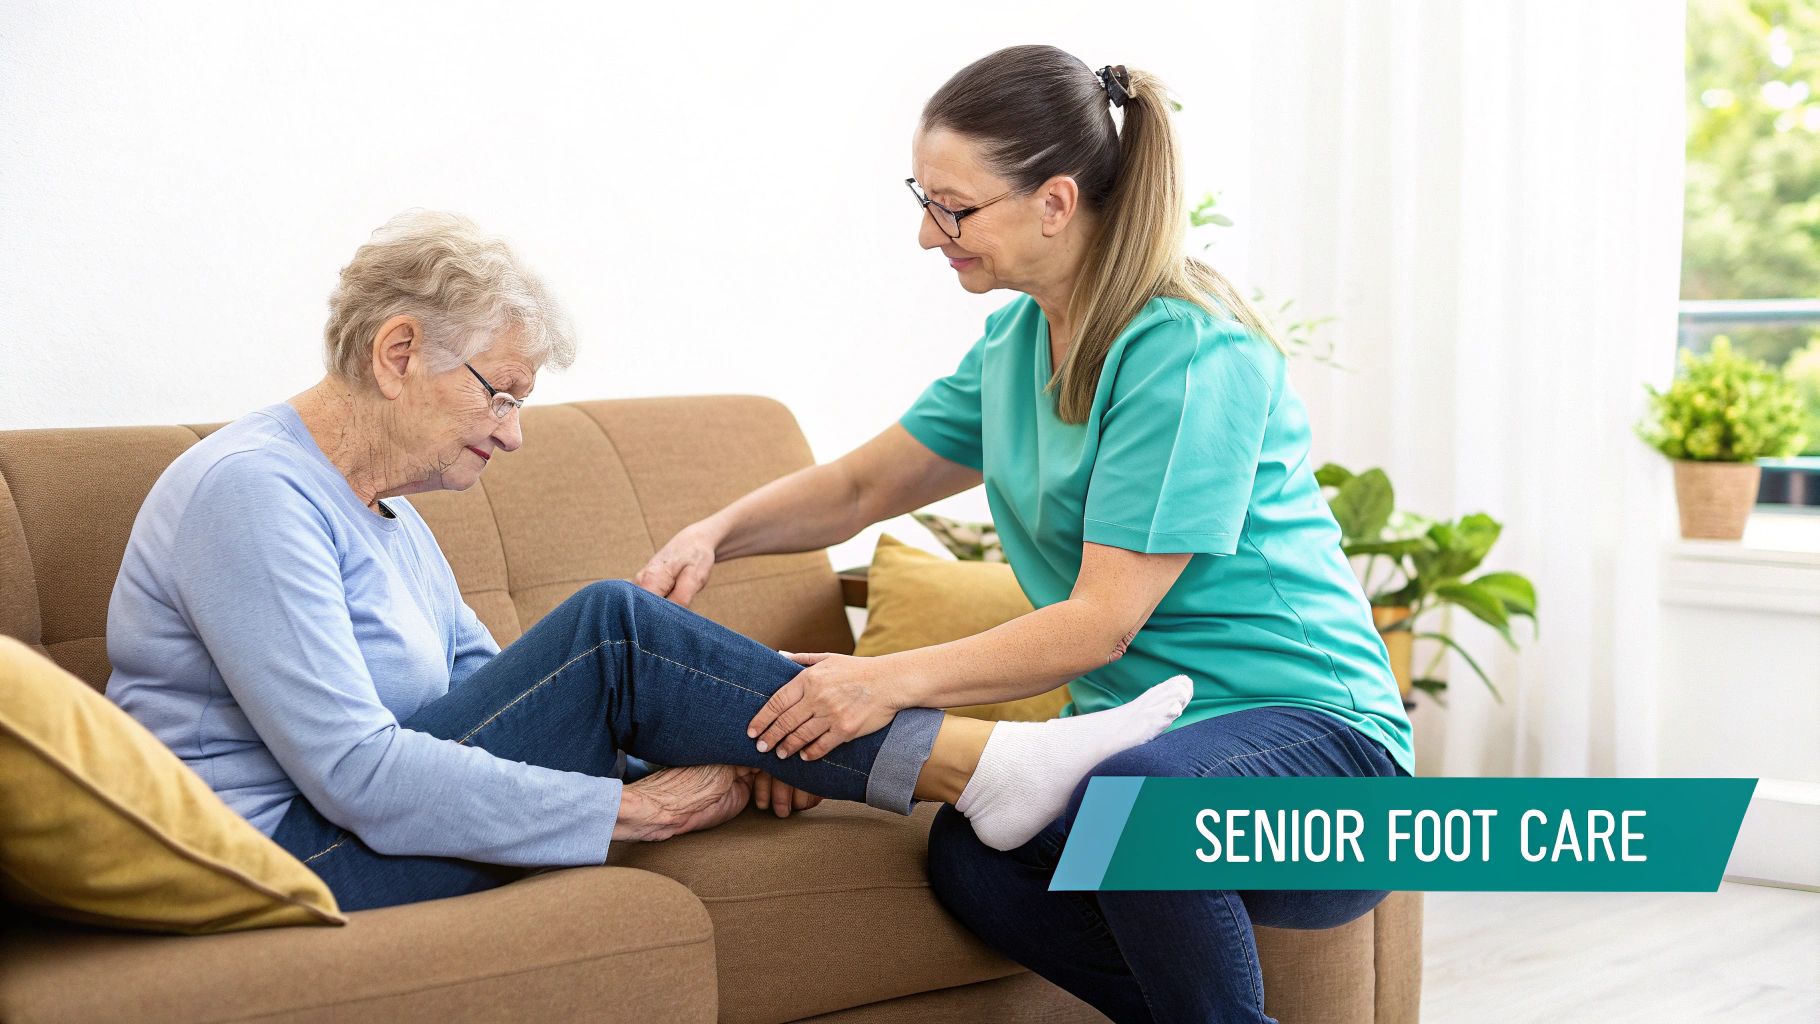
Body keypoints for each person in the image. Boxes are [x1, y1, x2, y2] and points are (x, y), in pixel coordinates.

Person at [105, 209, 1193, 913]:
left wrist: (725, 751)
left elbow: (499, 701)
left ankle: (976, 771)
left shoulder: (381, 511)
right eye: (501, 393)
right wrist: (631, 812)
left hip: (348, 825)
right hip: (284, 857)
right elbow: (358, 776)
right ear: (399, 354)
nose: (511, 433)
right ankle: (986, 767)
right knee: (612, 626)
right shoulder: (250, 493)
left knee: (613, 641)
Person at [634, 46, 1415, 1023]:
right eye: (922, 198)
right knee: (977, 854)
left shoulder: (1186, 350)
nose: (928, 234)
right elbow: (862, 484)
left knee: (1132, 805)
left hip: (1322, 755)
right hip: (1154, 748)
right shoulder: (1015, 345)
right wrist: (715, 533)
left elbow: (1099, 627)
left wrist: (877, 681)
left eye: (953, 207)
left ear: (1053, 202)